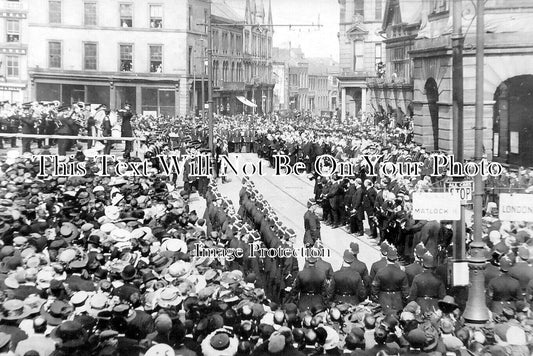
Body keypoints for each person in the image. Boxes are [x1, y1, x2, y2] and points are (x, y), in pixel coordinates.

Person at [371, 246, 409, 314]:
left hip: (383, 299)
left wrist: (376, 299)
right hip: (397, 301)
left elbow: (374, 288)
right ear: (396, 258)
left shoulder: (380, 272)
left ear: (387, 257)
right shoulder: (402, 273)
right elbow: (406, 292)